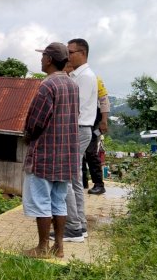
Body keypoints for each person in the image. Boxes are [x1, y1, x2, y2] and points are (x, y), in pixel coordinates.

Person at [23, 42, 79, 259]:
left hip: (45, 153)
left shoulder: (48, 85)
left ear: (49, 59)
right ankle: (59, 247)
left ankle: (42, 247)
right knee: (59, 201)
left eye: (43, 55)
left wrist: (27, 136)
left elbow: (36, 121)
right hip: (66, 154)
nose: (41, 59)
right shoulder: (72, 85)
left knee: (41, 201)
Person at [50, 38, 97, 242]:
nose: (68, 56)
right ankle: (80, 224)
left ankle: (73, 227)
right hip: (80, 129)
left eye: (71, 52)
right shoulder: (79, 75)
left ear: (83, 53)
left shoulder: (85, 77)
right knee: (75, 179)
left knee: (65, 178)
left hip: (77, 129)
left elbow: (75, 107)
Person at [87, 77, 110, 195]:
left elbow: (104, 100)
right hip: (80, 120)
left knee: (91, 151)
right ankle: (83, 182)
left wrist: (104, 121)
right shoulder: (71, 77)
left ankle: (99, 184)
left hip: (95, 122)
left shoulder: (95, 79)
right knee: (79, 152)